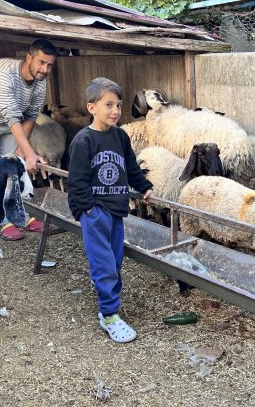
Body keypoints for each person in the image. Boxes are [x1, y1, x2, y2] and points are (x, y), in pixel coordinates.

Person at [67, 77, 153, 343]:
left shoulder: (120, 136)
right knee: (105, 265)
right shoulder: (83, 141)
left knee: (114, 261)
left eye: (118, 105)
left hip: (116, 209)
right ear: (92, 107)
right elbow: (77, 181)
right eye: (108, 105)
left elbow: (130, 165)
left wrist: (143, 186)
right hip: (95, 213)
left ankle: (103, 287)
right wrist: (87, 211)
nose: (115, 111)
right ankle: (109, 315)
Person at [0, 39, 56, 240]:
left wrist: (23, 153)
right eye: (41, 62)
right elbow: (11, 115)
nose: (45, 69)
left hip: (9, 121)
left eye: (49, 65)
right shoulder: (3, 73)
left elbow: (31, 115)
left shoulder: (40, 82)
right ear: (29, 57)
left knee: (15, 167)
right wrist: (31, 153)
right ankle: (3, 221)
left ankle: (21, 216)